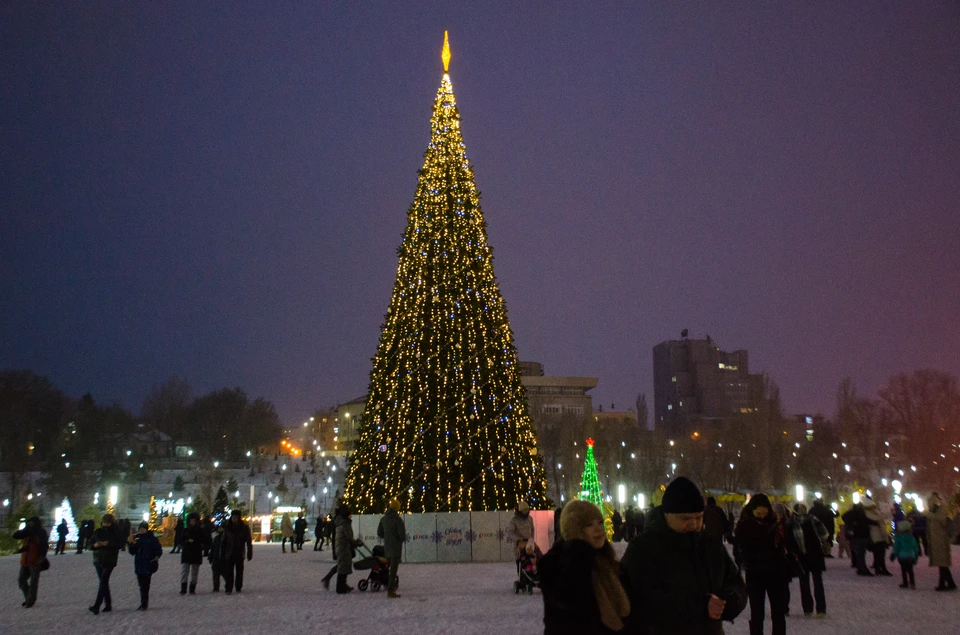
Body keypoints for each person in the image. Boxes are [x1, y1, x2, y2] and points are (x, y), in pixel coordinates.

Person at [621, 476, 746, 635]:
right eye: (685, 518)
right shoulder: (643, 549)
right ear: (667, 515)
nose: (693, 524)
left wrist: (730, 601)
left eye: (699, 517)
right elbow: (642, 601)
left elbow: (735, 583)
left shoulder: (711, 545)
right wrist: (699, 606)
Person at [540, 499, 630, 634]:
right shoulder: (555, 565)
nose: (598, 528)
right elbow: (569, 603)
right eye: (589, 524)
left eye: (600, 522)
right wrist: (578, 549)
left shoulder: (610, 564)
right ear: (574, 530)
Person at [735, 493, 788, 635]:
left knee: (778, 611)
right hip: (755, 572)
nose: (762, 511)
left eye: (765, 508)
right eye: (759, 508)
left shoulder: (776, 523)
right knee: (757, 612)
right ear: (752, 509)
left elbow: (783, 544)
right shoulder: (745, 524)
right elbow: (741, 544)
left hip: (775, 572)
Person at [787, 503, 829, 617]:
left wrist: (824, 543)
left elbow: (824, 534)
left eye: (803, 509)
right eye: (799, 509)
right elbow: (789, 539)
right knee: (804, 584)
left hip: (815, 554)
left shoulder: (813, 520)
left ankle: (821, 609)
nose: (801, 511)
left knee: (818, 583)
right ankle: (807, 608)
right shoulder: (791, 522)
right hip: (802, 556)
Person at [89, 513, 124, 615]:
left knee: (103, 581)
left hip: (109, 560)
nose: (105, 524)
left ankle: (97, 606)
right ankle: (108, 604)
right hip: (98, 559)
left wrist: (108, 544)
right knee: (103, 582)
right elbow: (90, 544)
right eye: (104, 522)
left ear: (111, 523)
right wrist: (95, 545)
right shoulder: (98, 532)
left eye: (107, 523)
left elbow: (120, 544)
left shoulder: (116, 532)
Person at [13, 516, 48, 608]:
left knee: (33, 582)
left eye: (31, 523)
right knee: (21, 581)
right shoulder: (27, 532)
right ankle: (28, 597)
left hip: (35, 560)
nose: (29, 525)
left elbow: (44, 545)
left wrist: (42, 556)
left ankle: (30, 600)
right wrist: (25, 529)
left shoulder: (41, 532)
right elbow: (15, 535)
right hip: (25, 560)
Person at [128, 521, 162, 610]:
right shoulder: (137, 539)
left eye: (143, 529)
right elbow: (132, 552)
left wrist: (156, 556)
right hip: (139, 564)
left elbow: (158, 549)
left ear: (146, 529)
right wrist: (131, 544)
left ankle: (144, 603)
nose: (141, 530)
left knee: (145, 585)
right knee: (141, 584)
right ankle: (143, 603)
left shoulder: (152, 539)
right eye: (140, 529)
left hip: (148, 564)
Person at [926, 493, 957, 591]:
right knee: (941, 564)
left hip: (941, 540)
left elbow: (941, 519)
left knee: (942, 563)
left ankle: (943, 584)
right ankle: (949, 583)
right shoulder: (932, 512)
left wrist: (929, 514)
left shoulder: (942, 509)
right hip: (936, 541)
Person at [377, 499, 407, 598]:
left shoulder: (383, 519)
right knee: (393, 571)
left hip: (387, 548)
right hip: (395, 549)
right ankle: (390, 591)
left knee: (388, 569)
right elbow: (402, 535)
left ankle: (388, 586)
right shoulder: (398, 520)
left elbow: (379, 533)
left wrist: (387, 537)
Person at [220, 510, 253, 594]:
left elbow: (248, 541)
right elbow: (223, 541)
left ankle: (238, 586)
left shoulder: (244, 528)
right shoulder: (227, 528)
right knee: (229, 572)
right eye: (233, 517)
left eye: (236, 517)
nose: (234, 518)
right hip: (229, 553)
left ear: (239, 518)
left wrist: (249, 551)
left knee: (239, 571)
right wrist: (222, 552)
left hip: (239, 552)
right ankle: (228, 588)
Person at [333, 505, 361, 593]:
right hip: (343, 547)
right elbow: (348, 537)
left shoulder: (341, 522)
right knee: (343, 567)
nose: (351, 516)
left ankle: (342, 585)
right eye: (349, 514)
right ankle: (341, 587)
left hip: (342, 547)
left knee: (343, 567)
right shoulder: (344, 523)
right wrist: (357, 543)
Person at [179, 512, 208, 595]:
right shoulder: (185, 530)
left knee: (194, 572)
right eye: (191, 521)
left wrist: (197, 543)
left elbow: (204, 541)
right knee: (185, 571)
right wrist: (186, 542)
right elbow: (180, 541)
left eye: (194, 521)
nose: (192, 522)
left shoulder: (200, 531)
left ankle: (192, 587)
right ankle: (183, 588)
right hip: (187, 553)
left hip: (196, 552)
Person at [862, 498, 892, 576]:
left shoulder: (874, 512)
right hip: (875, 536)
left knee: (880, 553)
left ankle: (880, 568)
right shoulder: (868, 513)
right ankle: (880, 568)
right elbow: (879, 518)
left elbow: (881, 517)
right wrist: (888, 512)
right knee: (879, 553)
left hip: (880, 535)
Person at [841, 502, 872, 575]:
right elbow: (866, 522)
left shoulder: (851, 514)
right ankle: (862, 568)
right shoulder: (861, 514)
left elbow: (844, 517)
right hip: (862, 535)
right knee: (861, 552)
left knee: (858, 551)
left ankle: (859, 567)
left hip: (855, 534)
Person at [891, 520, 920, 589]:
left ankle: (905, 582)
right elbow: (915, 547)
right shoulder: (911, 537)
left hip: (902, 556)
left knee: (903, 570)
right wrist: (916, 555)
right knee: (910, 570)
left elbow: (896, 547)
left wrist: (894, 554)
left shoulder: (898, 537)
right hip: (910, 556)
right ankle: (912, 583)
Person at [209, 523, 224, 592]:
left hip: (223, 559)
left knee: (225, 573)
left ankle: (228, 586)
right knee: (216, 574)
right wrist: (211, 556)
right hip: (216, 559)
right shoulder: (216, 538)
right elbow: (213, 548)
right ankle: (216, 587)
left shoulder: (227, 538)